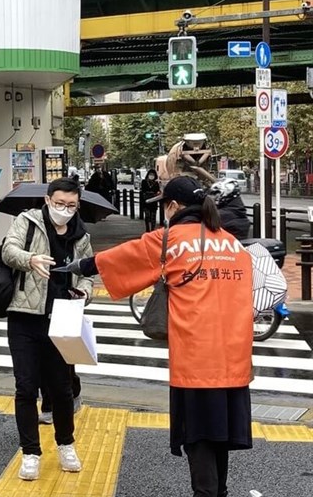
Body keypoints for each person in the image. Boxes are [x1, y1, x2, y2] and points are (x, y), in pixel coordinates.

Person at [62, 176, 254, 497]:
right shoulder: (230, 242)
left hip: (196, 362)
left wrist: (79, 265)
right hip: (234, 359)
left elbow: (122, 257)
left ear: (174, 206)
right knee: (219, 435)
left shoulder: (171, 239)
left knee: (199, 438)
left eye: (164, 205)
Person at [0, 177, 94, 479]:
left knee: (62, 389)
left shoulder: (81, 236)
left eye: (71, 205)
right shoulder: (27, 222)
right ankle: (30, 452)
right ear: (47, 201)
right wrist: (31, 259)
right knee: (25, 387)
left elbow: (89, 273)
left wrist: (85, 291)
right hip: (24, 317)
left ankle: (66, 443)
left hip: (62, 319)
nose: (65, 210)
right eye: (59, 204)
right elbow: (8, 251)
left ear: (77, 205)